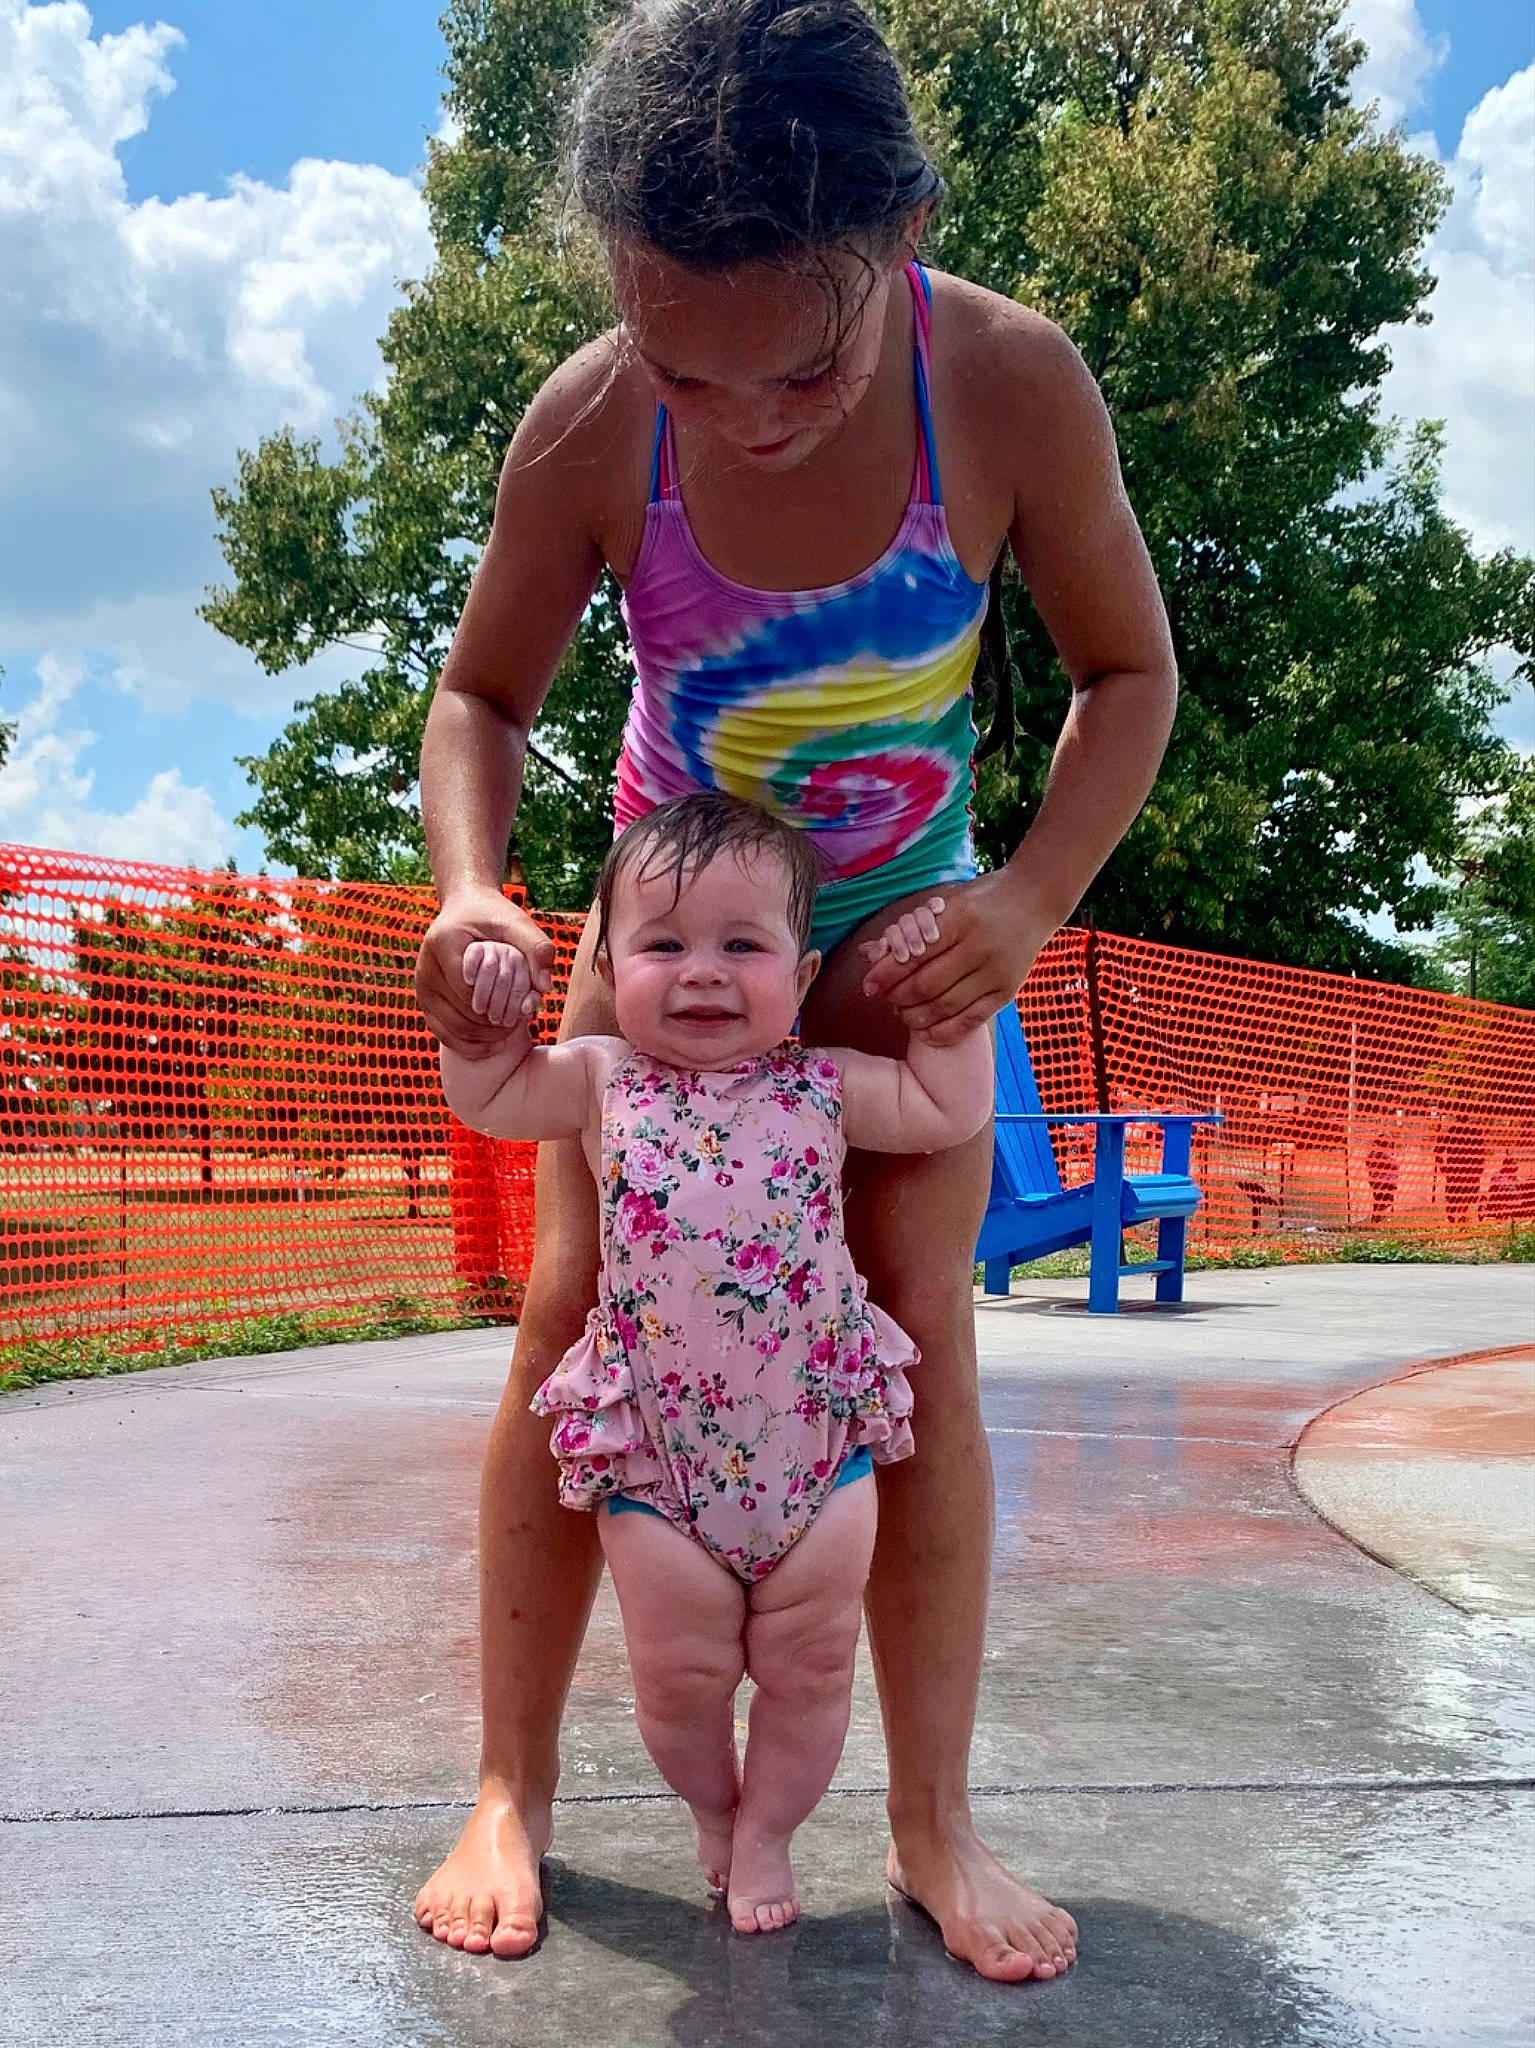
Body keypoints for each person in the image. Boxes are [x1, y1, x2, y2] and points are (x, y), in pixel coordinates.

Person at [412, 0, 1175, 1980]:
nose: (745, 410)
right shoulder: (592, 422)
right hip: (662, 938)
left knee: (919, 1345)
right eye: (689, 365)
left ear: (902, 232)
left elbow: (1126, 674)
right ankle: (508, 1782)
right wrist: (477, 887)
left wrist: (1022, 896)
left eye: (805, 360)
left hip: (909, 938)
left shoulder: (1003, 387)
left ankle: (926, 1819)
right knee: (574, 1323)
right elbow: (479, 693)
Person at [440, 794, 994, 1934]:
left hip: (816, 1455)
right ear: (606, 958)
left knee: (810, 1668)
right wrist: (483, 1028)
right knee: (677, 1678)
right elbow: (492, 1095)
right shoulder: (598, 1077)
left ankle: (768, 1833)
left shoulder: (826, 1084)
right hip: (657, 1461)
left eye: (742, 945)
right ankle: (708, 1805)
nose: (702, 973)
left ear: (801, 970)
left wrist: (947, 1013)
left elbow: (945, 1107)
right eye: (660, 944)